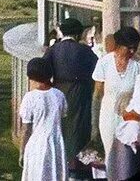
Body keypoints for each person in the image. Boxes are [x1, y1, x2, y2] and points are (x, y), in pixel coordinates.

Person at [43, 16, 99, 172]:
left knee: (61, 128)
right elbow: (96, 71)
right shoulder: (85, 51)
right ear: (77, 34)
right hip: (80, 93)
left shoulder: (53, 50)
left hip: (58, 90)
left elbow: (43, 69)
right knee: (79, 129)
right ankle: (77, 167)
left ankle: (60, 165)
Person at [94, 28, 140, 159]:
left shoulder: (138, 65)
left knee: (128, 158)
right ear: (119, 45)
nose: (132, 51)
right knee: (110, 155)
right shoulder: (104, 62)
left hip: (130, 118)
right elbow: (97, 96)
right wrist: (94, 127)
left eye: (135, 48)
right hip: (108, 117)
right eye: (129, 48)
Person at [20, 56, 67, 181]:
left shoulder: (29, 98)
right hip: (56, 144)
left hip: (37, 145)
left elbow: (26, 129)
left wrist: (22, 152)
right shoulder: (59, 95)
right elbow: (63, 117)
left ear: (32, 78)